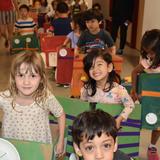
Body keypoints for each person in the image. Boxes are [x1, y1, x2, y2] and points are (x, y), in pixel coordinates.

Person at [0, 51, 66, 157]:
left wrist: (61, 140)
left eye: (33, 76)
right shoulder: (5, 98)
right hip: (12, 151)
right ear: (13, 77)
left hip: (39, 150)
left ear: (41, 78)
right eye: (21, 75)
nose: (26, 82)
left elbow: (60, 114)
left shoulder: (46, 97)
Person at [81, 48, 135, 129]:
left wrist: (119, 119)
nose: (95, 70)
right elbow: (82, 105)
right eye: (91, 67)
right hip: (93, 128)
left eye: (99, 64)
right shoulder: (86, 89)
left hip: (111, 129)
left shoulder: (119, 90)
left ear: (109, 67)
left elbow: (130, 105)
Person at [131, 29, 160, 160]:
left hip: (158, 100)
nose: (149, 55)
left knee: (157, 124)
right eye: (146, 51)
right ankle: (131, 145)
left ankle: (152, 146)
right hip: (145, 98)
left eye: (152, 52)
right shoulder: (147, 60)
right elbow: (134, 72)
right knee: (140, 120)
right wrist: (134, 90)